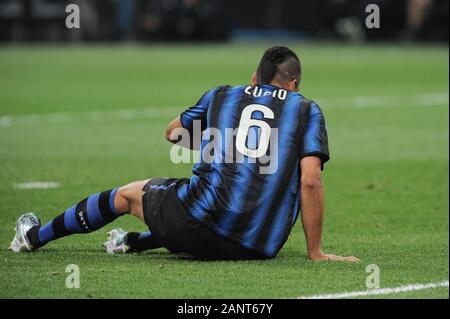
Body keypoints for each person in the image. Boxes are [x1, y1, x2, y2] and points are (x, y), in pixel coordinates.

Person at [10, 46, 359, 262]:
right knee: (208, 208)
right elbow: (310, 181)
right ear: (294, 84)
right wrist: (315, 253)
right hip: (259, 246)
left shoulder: (224, 94)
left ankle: (32, 237)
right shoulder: (306, 109)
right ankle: (130, 243)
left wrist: (221, 144)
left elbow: (173, 133)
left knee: (130, 195)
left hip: (196, 226)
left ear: (254, 77)